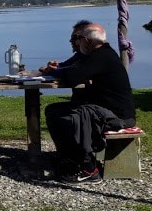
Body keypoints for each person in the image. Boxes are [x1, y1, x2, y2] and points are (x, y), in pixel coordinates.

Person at [44, 23, 135, 183]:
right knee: (54, 110)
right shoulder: (95, 55)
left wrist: (59, 71)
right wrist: (62, 71)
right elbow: (72, 71)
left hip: (118, 116)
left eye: (78, 39)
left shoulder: (101, 56)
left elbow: (72, 76)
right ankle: (68, 158)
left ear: (86, 40)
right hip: (103, 110)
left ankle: (89, 168)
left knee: (79, 115)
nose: (76, 42)